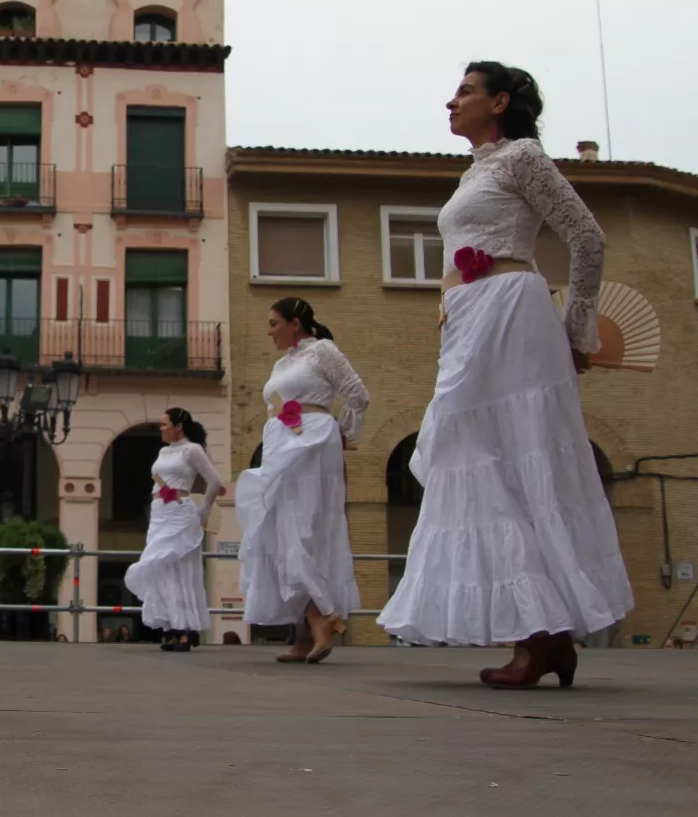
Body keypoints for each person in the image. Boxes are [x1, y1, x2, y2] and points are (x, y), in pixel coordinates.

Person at [377, 62, 634, 689]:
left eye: (464, 90)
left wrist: (578, 329)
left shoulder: (523, 157)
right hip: (471, 319)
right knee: (477, 459)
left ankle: (538, 636)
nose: (451, 100)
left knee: (513, 459)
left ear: (498, 102)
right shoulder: (477, 169)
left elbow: (587, 237)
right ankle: (546, 636)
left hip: (512, 311)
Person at [237, 297, 370, 665]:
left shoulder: (323, 351)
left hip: (312, 441)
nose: (269, 330)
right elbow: (275, 404)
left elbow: (359, 395)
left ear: (296, 323)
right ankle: (309, 627)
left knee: (305, 530)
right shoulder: (283, 363)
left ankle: (321, 620)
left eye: (274, 322)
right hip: (282, 442)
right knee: (278, 529)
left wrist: (340, 432)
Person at [124, 408, 223, 653]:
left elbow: (215, 481)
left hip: (181, 511)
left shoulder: (193, 450)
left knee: (181, 569)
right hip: (159, 512)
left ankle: (185, 629)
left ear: (179, 426)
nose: (161, 428)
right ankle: (169, 627)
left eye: (165, 423)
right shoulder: (163, 451)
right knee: (161, 568)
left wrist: (205, 511)